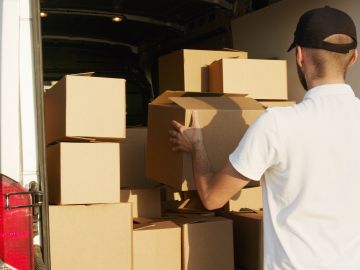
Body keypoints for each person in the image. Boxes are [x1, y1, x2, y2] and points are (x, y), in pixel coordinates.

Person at [169, 6, 360, 270]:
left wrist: (196, 146)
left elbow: (213, 198)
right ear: (354, 58)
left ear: (300, 56)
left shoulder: (277, 124)